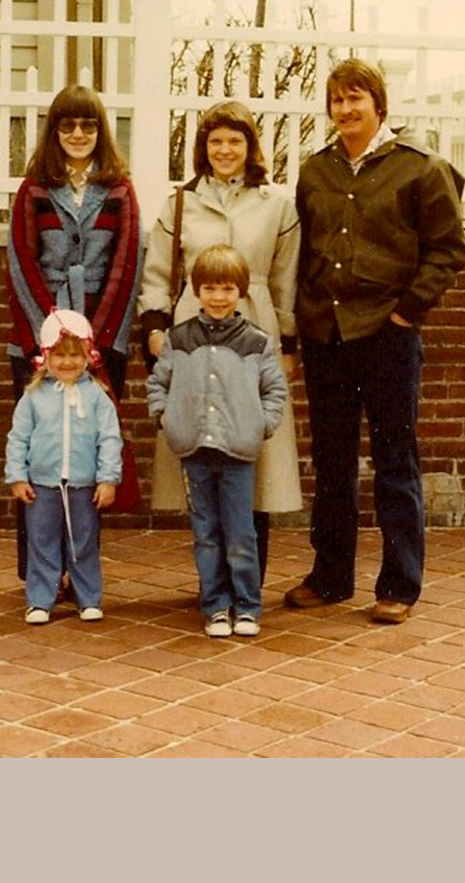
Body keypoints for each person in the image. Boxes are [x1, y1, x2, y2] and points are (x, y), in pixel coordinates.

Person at [284, 58, 465, 624]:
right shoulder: (316, 171)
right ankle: (331, 574)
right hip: (327, 336)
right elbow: (303, 251)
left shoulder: (421, 169)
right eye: (337, 101)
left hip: (388, 337)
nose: (345, 110)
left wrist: (408, 314)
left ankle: (399, 584)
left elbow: (448, 250)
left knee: (394, 459)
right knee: (332, 461)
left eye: (355, 99)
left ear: (378, 105)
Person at [138, 100, 301, 582]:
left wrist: (288, 344)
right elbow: (158, 272)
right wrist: (154, 326)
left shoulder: (277, 206)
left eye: (235, 140)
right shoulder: (182, 203)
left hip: (254, 335)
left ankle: (248, 578)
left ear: (250, 147)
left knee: (254, 451)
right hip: (195, 334)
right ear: (202, 149)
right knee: (205, 451)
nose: (225, 150)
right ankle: (214, 580)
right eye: (215, 142)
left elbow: (285, 278)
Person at [7, 85, 143, 586]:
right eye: (68, 126)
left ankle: (79, 573)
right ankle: (40, 573)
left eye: (88, 126)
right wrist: (53, 332)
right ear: (54, 132)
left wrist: (95, 340)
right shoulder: (34, 190)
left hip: (101, 344)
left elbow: (127, 264)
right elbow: (21, 263)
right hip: (39, 341)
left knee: (87, 460)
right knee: (40, 457)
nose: (79, 135)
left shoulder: (120, 190)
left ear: (100, 131)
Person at [146, 245, 287, 638]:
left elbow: (274, 391)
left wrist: (261, 424)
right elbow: (158, 383)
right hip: (194, 449)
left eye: (227, 289)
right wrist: (165, 417)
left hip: (239, 450)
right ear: (196, 291)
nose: (218, 298)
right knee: (206, 533)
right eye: (209, 288)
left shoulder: (257, 342)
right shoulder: (179, 339)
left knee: (241, 532)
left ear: (240, 292)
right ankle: (215, 605)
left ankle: (247, 605)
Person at [5, 310, 122, 624]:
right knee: (41, 542)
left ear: (88, 355)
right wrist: (17, 475)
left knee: (82, 542)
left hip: (84, 485)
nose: (67, 362)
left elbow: (110, 439)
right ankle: (40, 599)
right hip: (42, 484)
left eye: (75, 355)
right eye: (59, 355)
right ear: (46, 356)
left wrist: (107, 479)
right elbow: (18, 438)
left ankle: (88, 598)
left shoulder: (97, 396)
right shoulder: (32, 397)